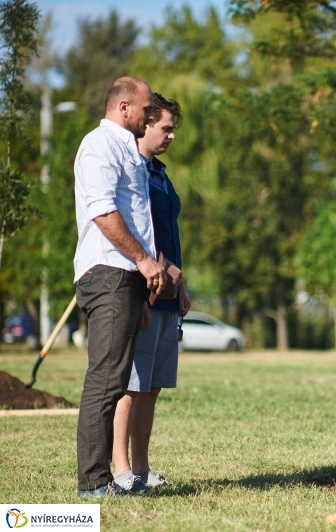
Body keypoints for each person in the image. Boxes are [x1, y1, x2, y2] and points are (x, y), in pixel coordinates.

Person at [73, 77, 166, 498]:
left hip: (123, 280)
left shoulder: (126, 147)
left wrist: (137, 288)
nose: (150, 117)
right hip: (108, 274)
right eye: (146, 110)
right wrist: (143, 261)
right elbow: (103, 212)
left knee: (114, 377)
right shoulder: (100, 145)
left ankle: (100, 479)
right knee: (107, 380)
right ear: (124, 107)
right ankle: (93, 483)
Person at [111, 93, 190, 493]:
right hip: (143, 289)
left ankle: (141, 469)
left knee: (152, 386)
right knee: (131, 385)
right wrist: (142, 291)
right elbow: (136, 236)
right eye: (166, 127)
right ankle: (120, 469)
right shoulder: (134, 174)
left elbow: (168, 237)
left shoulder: (160, 173)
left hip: (168, 294)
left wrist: (181, 284)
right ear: (145, 125)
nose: (172, 135)